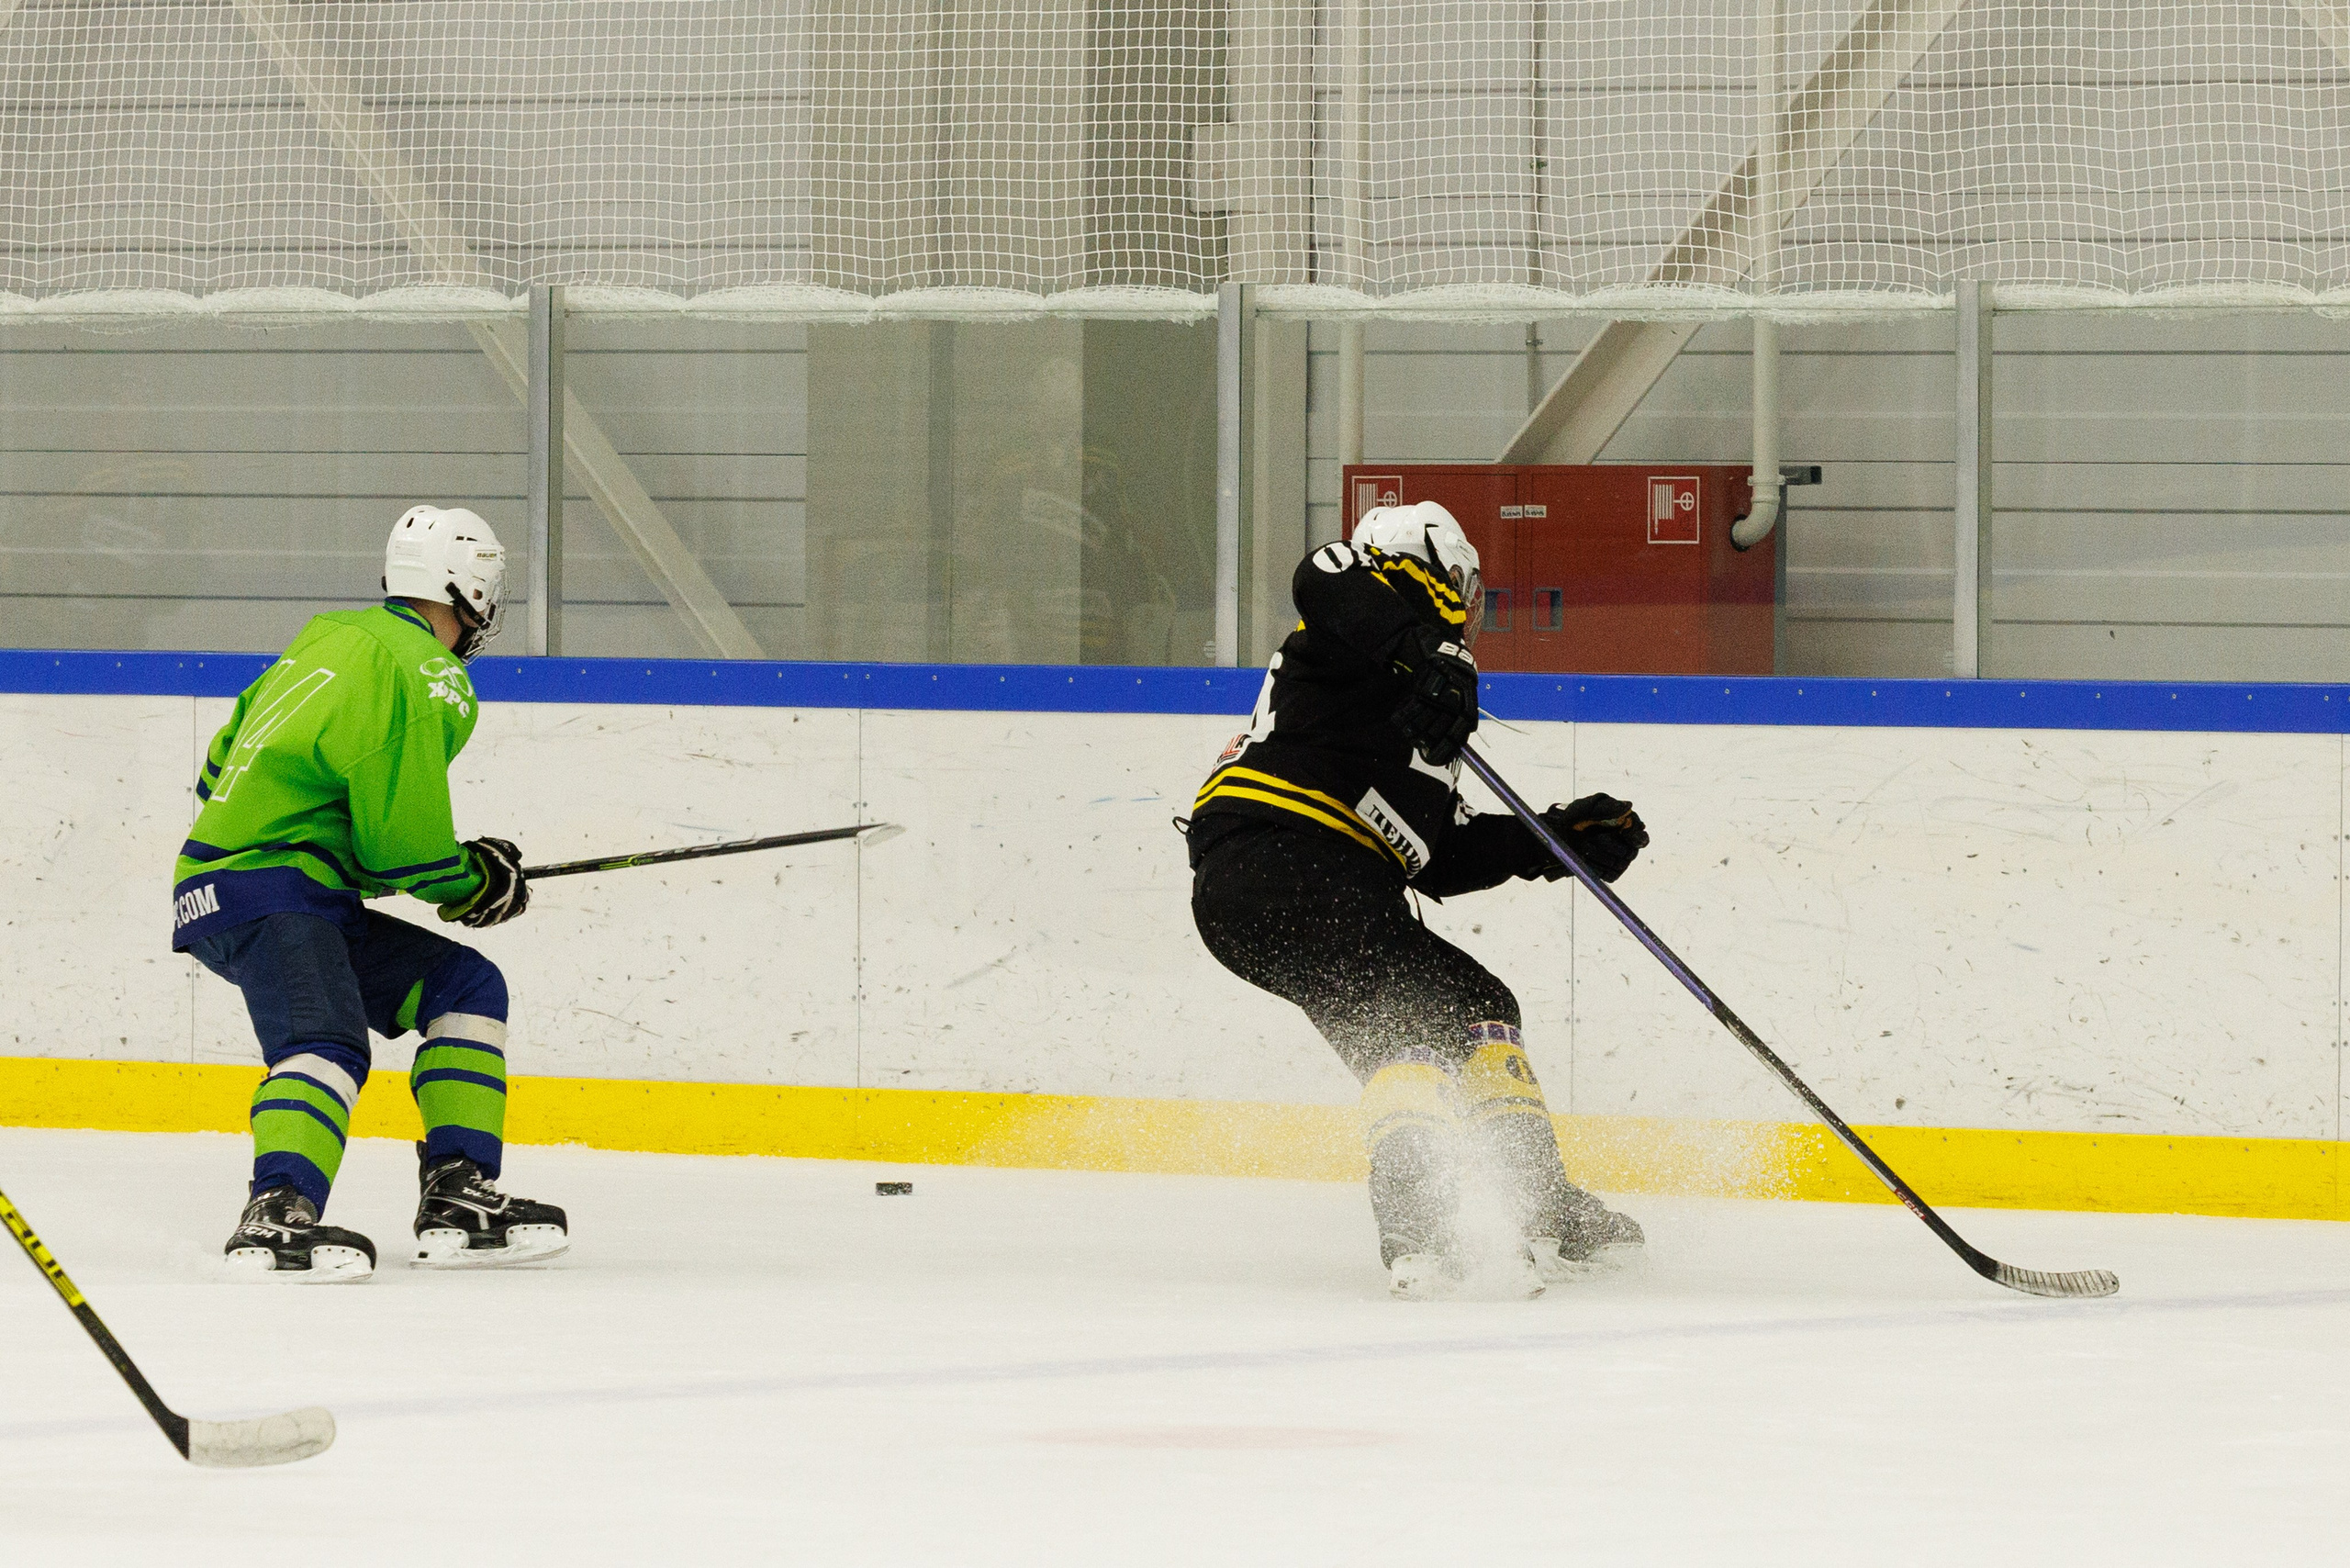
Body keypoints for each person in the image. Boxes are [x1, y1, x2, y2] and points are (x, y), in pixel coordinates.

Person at [1186, 500, 1651, 1298]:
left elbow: (1437, 858)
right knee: (1406, 1013)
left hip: (1274, 896)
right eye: (1463, 586)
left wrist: (1558, 841)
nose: (1469, 613)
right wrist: (1427, 651)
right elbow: (1323, 574)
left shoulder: (1411, 708)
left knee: (1461, 1008)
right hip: (1290, 862)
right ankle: (1434, 1226)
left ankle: (1510, 1216)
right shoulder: (1354, 621)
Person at [172, 505, 566, 1281]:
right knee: (326, 1041)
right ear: (471, 591)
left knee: (465, 986)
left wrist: (375, 865)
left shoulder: (320, 643)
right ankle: (275, 1213)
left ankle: (459, 1191)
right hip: (274, 891)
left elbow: (218, 774)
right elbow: (403, 844)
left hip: (242, 889)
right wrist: (472, 880)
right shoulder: (427, 673)